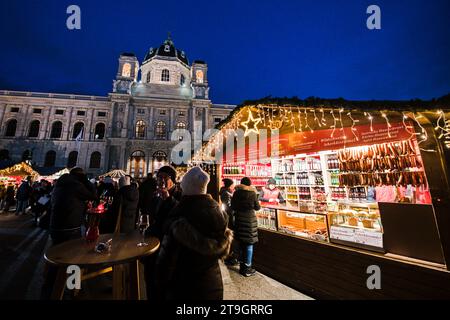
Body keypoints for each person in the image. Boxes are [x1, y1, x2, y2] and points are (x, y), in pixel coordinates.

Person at [154, 166, 232, 300]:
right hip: (213, 285)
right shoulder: (218, 213)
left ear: (186, 188)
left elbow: (166, 263)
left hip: (184, 287)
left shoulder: (180, 217)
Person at [143, 165, 181, 300]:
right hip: (153, 242)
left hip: (169, 247)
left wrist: (168, 198)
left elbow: (180, 213)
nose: (161, 180)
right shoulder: (155, 195)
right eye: (159, 177)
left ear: (173, 180)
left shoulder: (179, 194)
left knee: (165, 285)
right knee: (150, 280)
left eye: (165, 177)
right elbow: (151, 216)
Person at [49, 167, 97, 245]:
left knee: (57, 252)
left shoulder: (60, 183)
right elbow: (93, 196)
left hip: (55, 224)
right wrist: (86, 181)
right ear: (80, 176)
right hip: (70, 226)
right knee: (71, 252)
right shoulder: (75, 185)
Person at [231, 177, 261, 277]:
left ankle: (241, 266)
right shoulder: (252, 193)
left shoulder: (236, 193)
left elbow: (233, 207)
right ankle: (247, 268)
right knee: (249, 244)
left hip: (239, 220)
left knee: (241, 243)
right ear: (249, 184)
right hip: (249, 221)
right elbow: (257, 207)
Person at [220, 178, 239, 266]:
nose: (233, 186)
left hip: (228, 216)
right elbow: (228, 206)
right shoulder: (226, 193)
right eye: (232, 185)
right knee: (230, 236)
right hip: (229, 217)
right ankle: (229, 257)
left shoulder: (226, 192)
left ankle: (230, 256)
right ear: (229, 185)